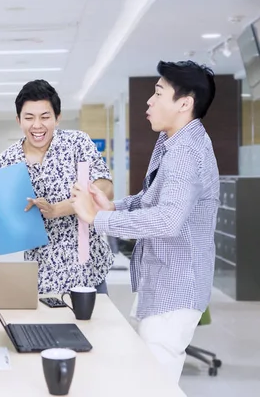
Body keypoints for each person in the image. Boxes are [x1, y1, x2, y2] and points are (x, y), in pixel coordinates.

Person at [71, 60, 219, 383]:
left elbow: (167, 220)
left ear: (184, 103)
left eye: (158, 93)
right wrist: (112, 207)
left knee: (154, 386)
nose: (149, 102)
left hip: (175, 291)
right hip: (160, 283)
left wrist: (99, 219)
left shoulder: (185, 154)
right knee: (143, 378)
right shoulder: (171, 143)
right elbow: (148, 199)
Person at [0, 79, 114, 294]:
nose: (37, 125)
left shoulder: (77, 143)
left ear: (57, 118)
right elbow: (1, 217)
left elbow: (105, 188)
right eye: (29, 118)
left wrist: (58, 209)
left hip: (88, 270)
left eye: (45, 117)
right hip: (40, 277)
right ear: (19, 120)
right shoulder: (4, 162)